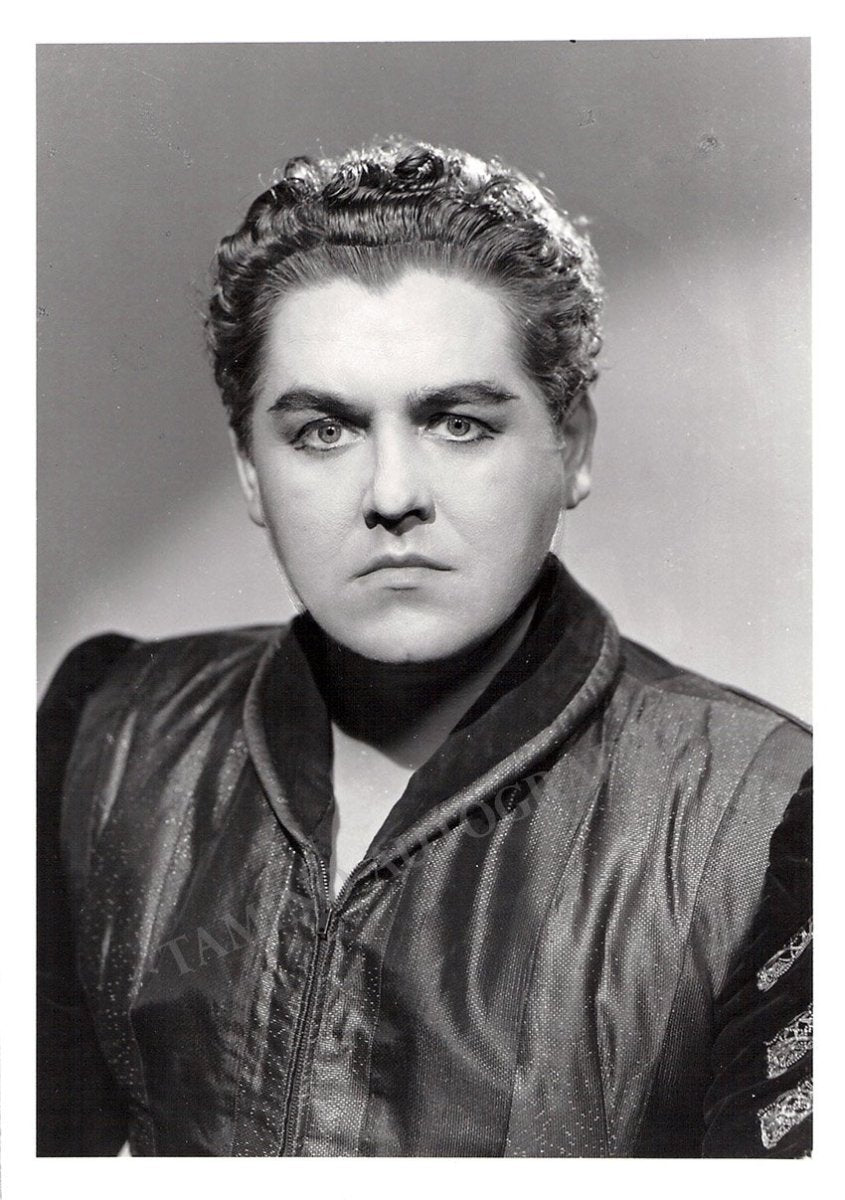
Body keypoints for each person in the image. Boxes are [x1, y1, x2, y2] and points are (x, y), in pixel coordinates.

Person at [37, 139, 812, 1157]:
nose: (392, 495)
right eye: (323, 431)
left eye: (457, 422)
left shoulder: (769, 816)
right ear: (250, 472)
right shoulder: (107, 734)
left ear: (572, 446)